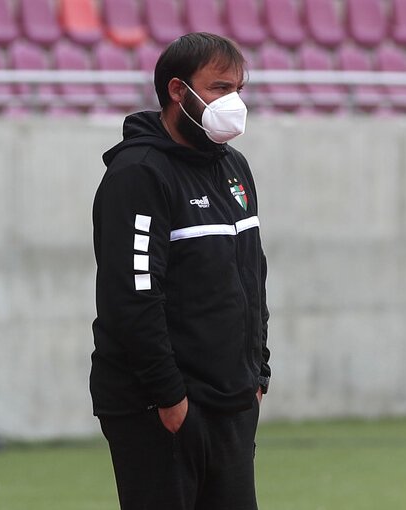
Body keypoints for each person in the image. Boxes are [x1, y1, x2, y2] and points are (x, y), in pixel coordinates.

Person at [90, 33, 271, 510]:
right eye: (218, 88)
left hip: (232, 400)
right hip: (163, 408)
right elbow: (132, 297)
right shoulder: (139, 174)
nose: (232, 102)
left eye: (238, 89)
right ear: (177, 90)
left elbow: (252, 276)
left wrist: (258, 374)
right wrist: (169, 397)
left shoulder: (234, 168)